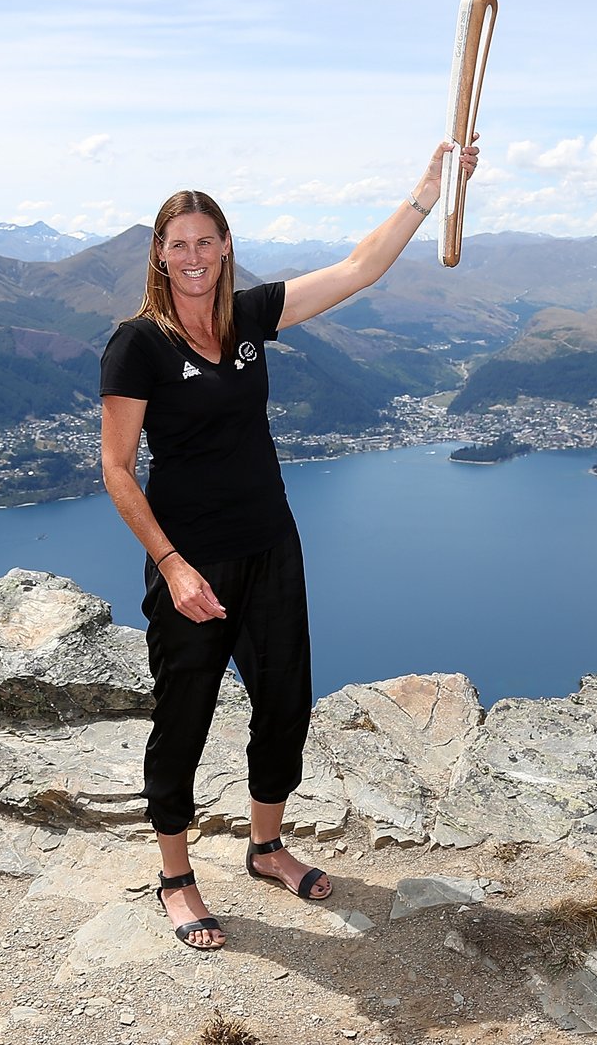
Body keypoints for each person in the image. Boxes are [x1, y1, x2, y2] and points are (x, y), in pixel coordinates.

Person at [98, 137, 481, 951]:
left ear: (225, 246)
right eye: (179, 244)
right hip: (192, 563)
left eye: (206, 241)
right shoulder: (138, 343)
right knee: (184, 718)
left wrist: (428, 189)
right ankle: (175, 877)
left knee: (284, 705)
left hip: (272, 545)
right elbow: (118, 469)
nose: (194, 256)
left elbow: (356, 270)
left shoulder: (246, 318)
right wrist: (172, 566)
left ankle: (266, 847)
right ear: (159, 256)